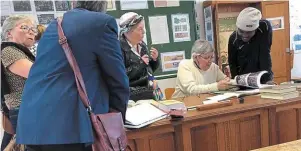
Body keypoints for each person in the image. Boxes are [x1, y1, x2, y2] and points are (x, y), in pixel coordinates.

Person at [16, 1, 130, 151]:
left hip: (33, 125)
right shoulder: (101, 23)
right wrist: (115, 118)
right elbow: (117, 79)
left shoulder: (54, 25)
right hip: (71, 127)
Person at [1, 15, 36, 147]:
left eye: (33, 29)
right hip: (23, 110)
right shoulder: (9, 51)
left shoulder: (20, 51)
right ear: (9, 33)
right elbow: (38, 74)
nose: (31, 31)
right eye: (24, 27)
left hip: (26, 109)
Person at [119, 12, 161, 101]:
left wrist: (154, 60)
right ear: (129, 30)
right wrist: (140, 63)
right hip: (134, 96)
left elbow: (148, 69)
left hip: (150, 91)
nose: (144, 32)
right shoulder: (119, 49)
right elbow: (120, 76)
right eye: (140, 29)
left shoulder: (142, 45)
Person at [228, 7, 274, 84]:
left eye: (249, 32)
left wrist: (268, 80)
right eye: (241, 31)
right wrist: (235, 82)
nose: (245, 35)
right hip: (244, 81)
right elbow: (232, 64)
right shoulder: (233, 39)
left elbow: (265, 54)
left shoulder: (264, 27)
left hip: (262, 78)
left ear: (256, 29)